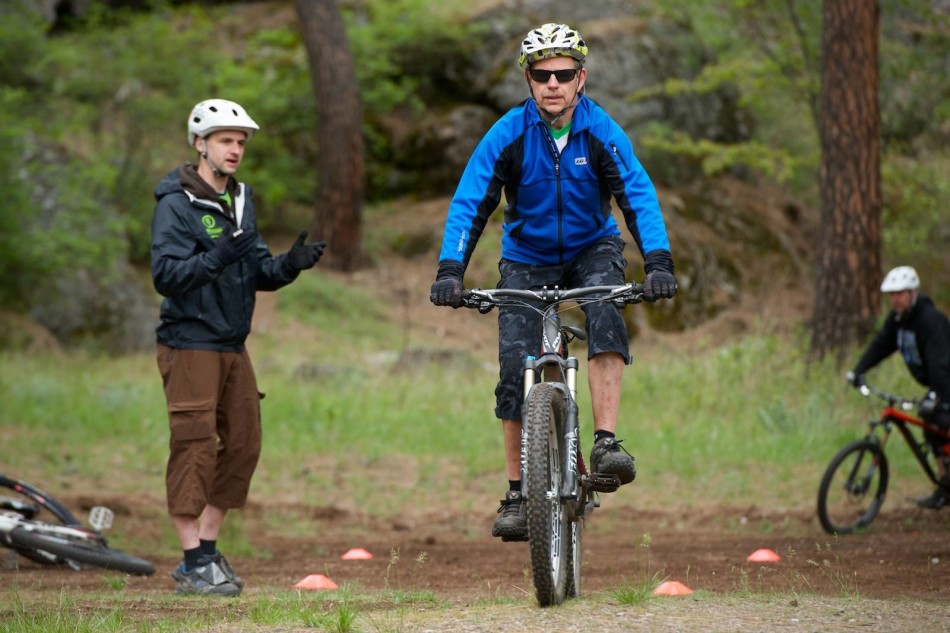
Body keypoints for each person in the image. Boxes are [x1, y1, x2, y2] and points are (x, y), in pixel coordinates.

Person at [429, 23, 677, 541]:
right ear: (529, 80)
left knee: (606, 310)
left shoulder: (601, 130)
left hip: (593, 248)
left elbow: (638, 194)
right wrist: (450, 269)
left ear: (581, 78)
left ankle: (606, 442)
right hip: (526, 257)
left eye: (564, 74)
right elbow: (471, 201)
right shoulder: (508, 134)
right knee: (511, 364)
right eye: (542, 75)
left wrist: (657, 261)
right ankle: (519, 493)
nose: (553, 84)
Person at [151, 99, 328, 595]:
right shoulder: (175, 204)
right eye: (226, 140)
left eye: (241, 142)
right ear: (200, 144)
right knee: (194, 445)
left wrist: (290, 264)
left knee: (245, 442)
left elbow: (257, 273)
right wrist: (216, 258)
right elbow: (166, 276)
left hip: (233, 344)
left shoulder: (242, 200)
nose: (235, 150)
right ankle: (191, 561)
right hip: (189, 343)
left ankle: (207, 551)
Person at [849, 265, 950, 509]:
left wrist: (939, 396)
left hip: (946, 381)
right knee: (932, 430)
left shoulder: (930, 320)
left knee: (942, 422)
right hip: (940, 384)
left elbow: (940, 363)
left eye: (900, 293)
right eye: (892, 294)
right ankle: (946, 487)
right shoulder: (898, 321)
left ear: (913, 293)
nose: (895, 299)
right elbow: (881, 345)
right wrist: (858, 370)